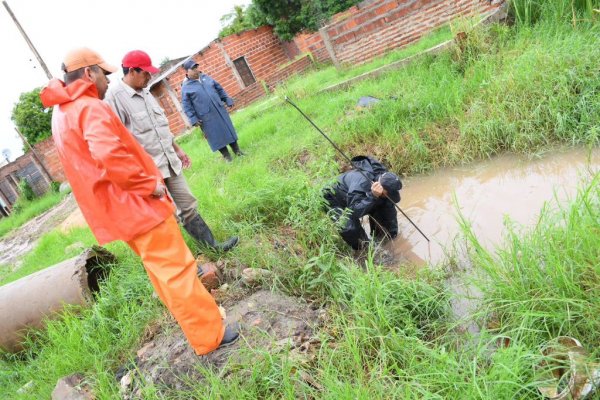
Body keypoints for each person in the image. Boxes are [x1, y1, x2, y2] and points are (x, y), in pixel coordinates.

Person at [39, 47, 238, 355]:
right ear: (88, 73)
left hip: (119, 211)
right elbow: (109, 155)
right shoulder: (89, 107)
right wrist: (150, 185)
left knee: (163, 274)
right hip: (138, 205)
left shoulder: (62, 113)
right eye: (103, 73)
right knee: (178, 271)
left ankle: (201, 325)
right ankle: (210, 334)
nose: (107, 80)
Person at [104, 50, 238, 253]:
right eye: (146, 73)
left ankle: (211, 247)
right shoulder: (114, 98)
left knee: (188, 204)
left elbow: (160, 128)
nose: (149, 77)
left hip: (169, 161)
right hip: (149, 171)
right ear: (132, 71)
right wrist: (139, 176)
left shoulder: (146, 91)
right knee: (167, 217)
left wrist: (178, 150)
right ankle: (186, 264)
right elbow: (117, 141)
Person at [323, 156, 402, 250]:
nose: (391, 195)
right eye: (388, 193)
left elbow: (390, 209)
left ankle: (384, 240)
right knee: (349, 228)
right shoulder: (362, 183)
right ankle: (364, 251)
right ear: (379, 187)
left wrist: (391, 233)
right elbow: (352, 212)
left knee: (385, 204)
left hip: (360, 195)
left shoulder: (383, 176)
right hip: (334, 198)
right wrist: (372, 196)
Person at [181, 59, 243, 162]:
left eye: (196, 67)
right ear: (187, 72)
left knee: (228, 130)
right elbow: (186, 105)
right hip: (205, 117)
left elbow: (219, 89)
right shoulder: (186, 87)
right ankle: (227, 158)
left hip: (219, 110)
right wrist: (193, 119)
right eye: (193, 68)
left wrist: (226, 99)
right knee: (216, 136)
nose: (196, 69)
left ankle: (237, 151)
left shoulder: (206, 77)